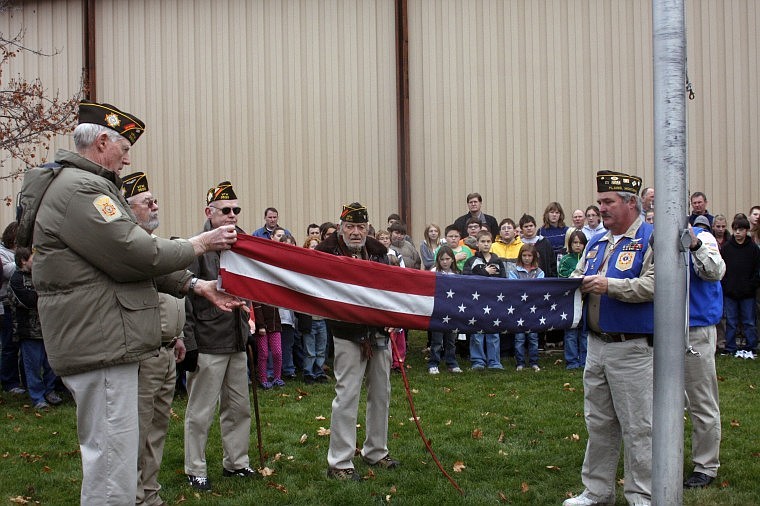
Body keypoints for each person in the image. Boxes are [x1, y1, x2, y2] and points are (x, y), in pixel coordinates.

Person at [25, 101, 245, 505]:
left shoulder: (82, 187)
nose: (127, 159)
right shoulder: (82, 190)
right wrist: (199, 244)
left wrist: (198, 286)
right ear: (102, 141)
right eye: (124, 148)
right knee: (112, 470)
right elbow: (135, 252)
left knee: (116, 462)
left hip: (105, 340)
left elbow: (125, 262)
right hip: (102, 343)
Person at [563, 170, 654, 506]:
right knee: (598, 423)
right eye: (599, 201)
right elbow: (576, 277)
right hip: (596, 346)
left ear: (630, 203)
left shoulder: (649, 238)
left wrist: (608, 286)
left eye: (608, 202)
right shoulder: (599, 240)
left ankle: (642, 495)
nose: (600, 208)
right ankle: (597, 491)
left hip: (632, 347)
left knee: (638, 426)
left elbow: (655, 286)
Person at [316, 202, 399, 481]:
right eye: (350, 226)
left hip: (378, 333)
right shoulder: (325, 254)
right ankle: (339, 461)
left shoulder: (378, 253)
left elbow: (390, 289)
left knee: (381, 393)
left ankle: (376, 450)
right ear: (341, 228)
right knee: (347, 395)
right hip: (347, 334)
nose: (355, 232)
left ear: (367, 228)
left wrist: (391, 316)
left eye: (360, 227)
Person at [121, 171, 190, 506]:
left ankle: (150, 492)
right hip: (142, 354)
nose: (155, 205)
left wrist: (176, 336)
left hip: (166, 351)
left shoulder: (155, 247)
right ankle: (133, 496)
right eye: (147, 202)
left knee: (158, 429)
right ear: (129, 208)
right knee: (137, 430)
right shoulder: (131, 249)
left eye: (154, 200)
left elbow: (168, 301)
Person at [184, 181, 256, 492]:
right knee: (200, 412)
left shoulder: (240, 247)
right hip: (208, 341)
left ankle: (236, 463)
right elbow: (183, 297)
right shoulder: (196, 248)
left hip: (236, 339)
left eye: (236, 210)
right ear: (209, 212)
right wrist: (189, 344)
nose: (231, 215)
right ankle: (195, 468)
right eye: (225, 210)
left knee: (239, 408)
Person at [683, 216, 725, 489]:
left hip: (695, 329)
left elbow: (715, 271)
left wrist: (694, 244)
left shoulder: (703, 236)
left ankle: (706, 465)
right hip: (658, 331)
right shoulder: (648, 238)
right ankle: (666, 456)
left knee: (701, 401)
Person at [8, 247, 61, 410]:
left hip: (48, 329)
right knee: (33, 367)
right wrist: (46, 295)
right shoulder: (17, 280)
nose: (37, 260)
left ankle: (50, 391)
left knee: (51, 364)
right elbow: (30, 300)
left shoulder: (41, 276)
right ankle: (38, 398)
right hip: (29, 332)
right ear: (24, 260)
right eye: (33, 257)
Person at [463, 230, 506, 370]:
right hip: (477, 301)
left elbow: (503, 280)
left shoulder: (497, 261)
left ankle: (494, 361)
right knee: (477, 332)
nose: (486, 244)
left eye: (488, 241)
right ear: (477, 243)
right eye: (483, 241)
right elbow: (466, 277)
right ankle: (478, 361)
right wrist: (484, 272)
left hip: (494, 301)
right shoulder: (471, 261)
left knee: (493, 332)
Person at [719, 214, 760, 358]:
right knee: (731, 321)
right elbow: (721, 268)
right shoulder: (726, 248)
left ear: (747, 231)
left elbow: (757, 270)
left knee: (749, 321)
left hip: (748, 293)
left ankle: (751, 347)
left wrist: (751, 285)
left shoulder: (753, 249)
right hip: (730, 292)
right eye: (735, 229)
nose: (737, 232)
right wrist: (726, 285)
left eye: (741, 229)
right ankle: (730, 347)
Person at [508, 243, 544, 372]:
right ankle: (520, 363)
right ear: (520, 256)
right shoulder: (514, 271)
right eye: (524, 255)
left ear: (534, 257)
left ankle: (534, 362)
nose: (527, 258)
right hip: (519, 309)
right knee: (519, 338)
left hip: (533, 309)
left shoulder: (539, 272)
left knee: (533, 338)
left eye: (529, 255)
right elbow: (514, 289)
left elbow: (539, 289)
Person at [427, 246, 462, 374]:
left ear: (453, 259)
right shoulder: (434, 271)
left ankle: (451, 363)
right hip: (438, 310)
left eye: (447, 259)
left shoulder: (458, 274)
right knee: (436, 340)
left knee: (451, 340)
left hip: (452, 311)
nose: (445, 262)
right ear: (438, 260)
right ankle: (433, 363)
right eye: (442, 259)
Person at [559, 230, 588, 369]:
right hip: (570, 301)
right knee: (571, 332)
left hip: (585, 298)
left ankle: (585, 361)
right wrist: (576, 276)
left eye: (581, 243)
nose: (578, 245)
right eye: (575, 243)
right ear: (570, 244)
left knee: (584, 332)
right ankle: (571, 361)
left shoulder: (589, 258)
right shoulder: (565, 259)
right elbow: (562, 276)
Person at [0, 222, 23, 395]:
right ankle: (10, 382)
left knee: (23, 345)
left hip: (22, 305)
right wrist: (24, 261)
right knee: (9, 345)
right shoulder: (3, 252)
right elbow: (8, 272)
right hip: (7, 304)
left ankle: (24, 379)